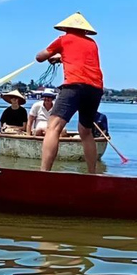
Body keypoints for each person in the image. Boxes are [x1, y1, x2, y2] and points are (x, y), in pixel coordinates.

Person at [36, 12, 104, 173]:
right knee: (85, 131)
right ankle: (92, 173)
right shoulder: (92, 43)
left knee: (53, 127)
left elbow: (40, 57)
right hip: (95, 88)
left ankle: (44, 173)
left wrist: (52, 55)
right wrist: (61, 57)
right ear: (85, 30)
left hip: (74, 86)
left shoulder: (63, 40)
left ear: (66, 28)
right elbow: (79, 58)